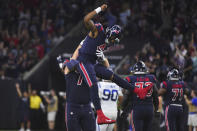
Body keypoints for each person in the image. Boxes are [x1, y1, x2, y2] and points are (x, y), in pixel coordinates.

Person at [124, 61, 159, 131]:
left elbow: (126, 96)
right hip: (149, 108)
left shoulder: (131, 79)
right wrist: (156, 108)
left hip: (137, 108)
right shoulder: (151, 78)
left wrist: (123, 109)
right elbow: (155, 95)